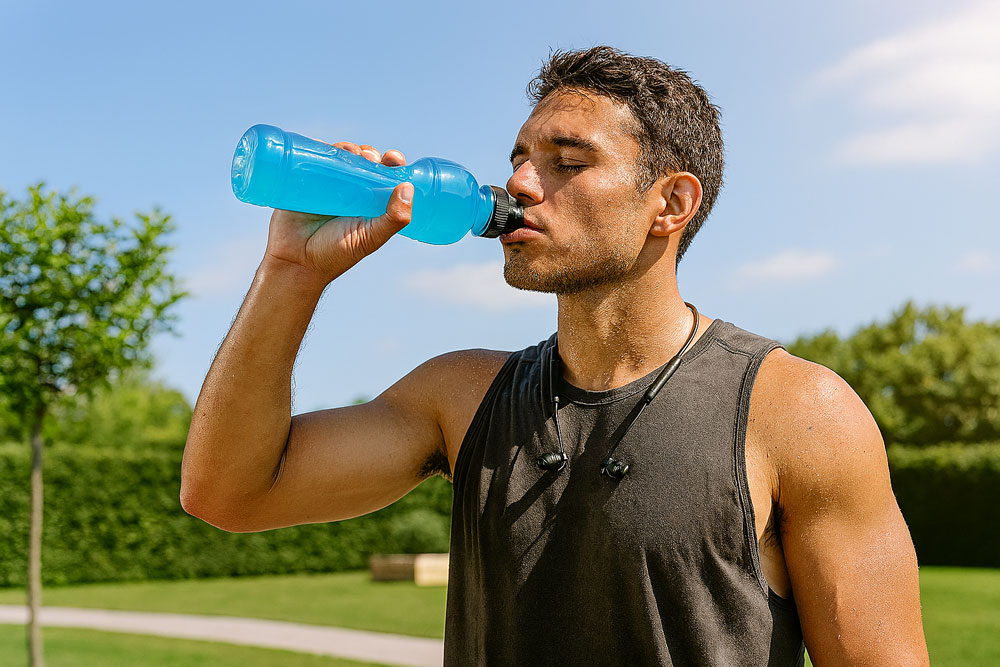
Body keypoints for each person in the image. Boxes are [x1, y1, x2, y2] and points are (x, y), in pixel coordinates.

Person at [180, 46, 929, 666]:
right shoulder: (462, 396)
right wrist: (291, 271)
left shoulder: (795, 412)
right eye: (519, 159)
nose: (519, 183)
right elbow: (230, 493)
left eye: (567, 162)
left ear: (670, 203)